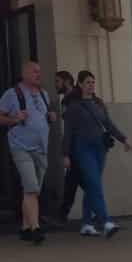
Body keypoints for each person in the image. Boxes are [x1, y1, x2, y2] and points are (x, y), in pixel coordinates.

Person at [63, 69, 132, 239]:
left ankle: (87, 224)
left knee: (91, 185)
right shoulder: (73, 107)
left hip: (99, 148)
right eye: (87, 82)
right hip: (82, 148)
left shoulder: (99, 104)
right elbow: (68, 133)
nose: (91, 85)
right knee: (94, 183)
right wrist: (65, 155)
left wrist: (123, 139)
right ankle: (105, 221)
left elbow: (108, 124)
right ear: (79, 84)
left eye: (93, 82)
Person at [0, 60, 56, 244]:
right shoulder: (12, 94)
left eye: (39, 71)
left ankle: (25, 228)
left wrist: (49, 117)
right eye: (35, 71)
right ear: (25, 73)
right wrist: (14, 118)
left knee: (32, 191)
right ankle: (35, 229)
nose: (38, 74)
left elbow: (43, 117)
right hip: (21, 147)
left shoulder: (44, 94)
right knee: (31, 187)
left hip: (41, 149)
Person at [47, 70, 80, 228]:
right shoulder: (78, 96)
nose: (55, 85)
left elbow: (69, 128)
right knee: (76, 183)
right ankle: (62, 215)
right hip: (81, 146)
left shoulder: (69, 99)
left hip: (77, 148)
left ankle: (62, 216)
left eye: (58, 81)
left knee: (73, 183)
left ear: (67, 81)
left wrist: (66, 152)